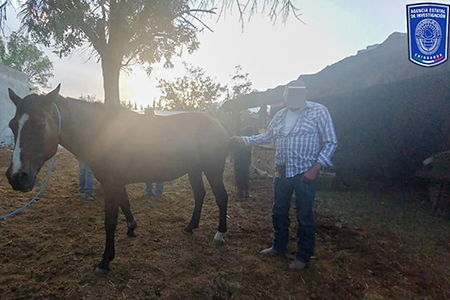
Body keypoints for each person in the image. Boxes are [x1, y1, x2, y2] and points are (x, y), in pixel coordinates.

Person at [232, 82, 338, 270]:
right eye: (288, 96)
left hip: (304, 173)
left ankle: (303, 256)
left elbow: (331, 142)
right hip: (281, 172)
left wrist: (315, 169)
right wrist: (244, 140)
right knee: (279, 212)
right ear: (285, 97)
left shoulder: (318, 111)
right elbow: (266, 137)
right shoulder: (280, 115)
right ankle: (278, 247)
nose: (292, 99)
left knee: (304, 215)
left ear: (304, 95)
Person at [143, 106, 164, 197]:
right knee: (150, 171)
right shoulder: (155, 124)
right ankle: (152, 191)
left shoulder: (156, 125)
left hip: (156, 151)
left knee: (156, 171)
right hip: (150, 151)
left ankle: (155, 191)